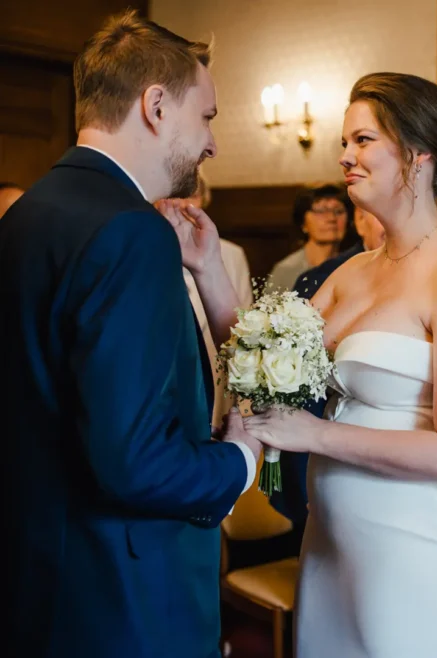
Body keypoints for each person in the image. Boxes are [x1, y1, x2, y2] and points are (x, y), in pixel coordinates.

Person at [0, 11, 261, 658]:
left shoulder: (28, 213)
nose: (212, 144)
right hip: (123, 599)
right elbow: (135, 462)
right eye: (206, 117)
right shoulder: (130, 231)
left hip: (37, 580)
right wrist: (238, 460)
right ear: (154, 105)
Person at [237, 71, 437, 657]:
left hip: (415, 544)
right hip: (332, 535)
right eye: (345, 142)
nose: (344, 156)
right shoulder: (355, 270)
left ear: (417, 154)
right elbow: (265, 353)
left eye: (362, 141)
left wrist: (316, 433)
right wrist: (207, 267)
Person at [269, 205, 386, 534]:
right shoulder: (324, 278)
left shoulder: (429, 275)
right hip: (328, 459)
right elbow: (298, 385)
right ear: (360, 221)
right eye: (380, 213)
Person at [178, 172, 253, 428]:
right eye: (177, 195)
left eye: (192, 195)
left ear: (203, 201)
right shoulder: (150, 249)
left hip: (216, 374)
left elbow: (244, 326)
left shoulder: (232, 254)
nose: (184, 204)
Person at [265, 182, 353, 292]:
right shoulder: (286, 270)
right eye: (321, 211)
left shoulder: (354, 265)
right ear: (303, 223)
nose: (331, 218)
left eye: (339, 211)